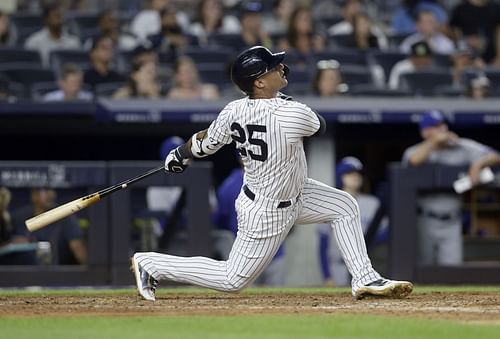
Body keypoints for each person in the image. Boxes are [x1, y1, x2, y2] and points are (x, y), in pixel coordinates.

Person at [131, 45, 413, 301]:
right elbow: (320, 124)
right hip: (267, 209)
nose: (281, 67)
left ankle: (364, 278)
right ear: (259, 82)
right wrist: (282, 98)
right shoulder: (290, 113)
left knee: (344, 206)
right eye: (272, 68)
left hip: (295, 192)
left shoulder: (233, 110)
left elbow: (204, 143)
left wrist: (180, 154)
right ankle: (152, 264)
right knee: (233, 279)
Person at [402, 110, 500, 265]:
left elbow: (495, 156)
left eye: (443, 125)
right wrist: (434, 142)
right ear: (425, 132)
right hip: (424, 219)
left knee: (452, 270)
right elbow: (412, 162)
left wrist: (478, 163)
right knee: (422, 268)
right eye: (436, 126)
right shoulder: (416, 150)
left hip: (452, 221)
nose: (442, 129)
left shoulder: (461, 146)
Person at [213, 158, 286, 286]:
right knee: (246, 300)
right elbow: (220, 221)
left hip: (274, 253)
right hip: (245, 255)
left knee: (277, 298)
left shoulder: (276, 181)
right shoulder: (229, 186)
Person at [318, 157, 383, 286]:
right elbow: (322, 244)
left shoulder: (372, 203)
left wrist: (364, 240)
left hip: (366, 264)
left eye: (358, 174)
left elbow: (387, 232)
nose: (355, 177)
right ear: (340, 177)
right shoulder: (329, 204)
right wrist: (326, 275)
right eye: (349, 173)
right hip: (338, 266)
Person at [11, 187, 88, 265]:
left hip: (58, 272)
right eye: (46, 190)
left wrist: (91, 274)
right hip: (25, 272)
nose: (51, 194)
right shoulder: (19, 217)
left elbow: (78, 249)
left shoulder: (65, 216)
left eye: (51, 190)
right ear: (34, 195)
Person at [449, 0, 500, 64]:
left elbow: (498, 32)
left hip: (493, 60)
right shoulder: (460, 10)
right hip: (467, 60)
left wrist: (498, 58)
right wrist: (467, 41)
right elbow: (454, 35)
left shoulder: (496, 9)